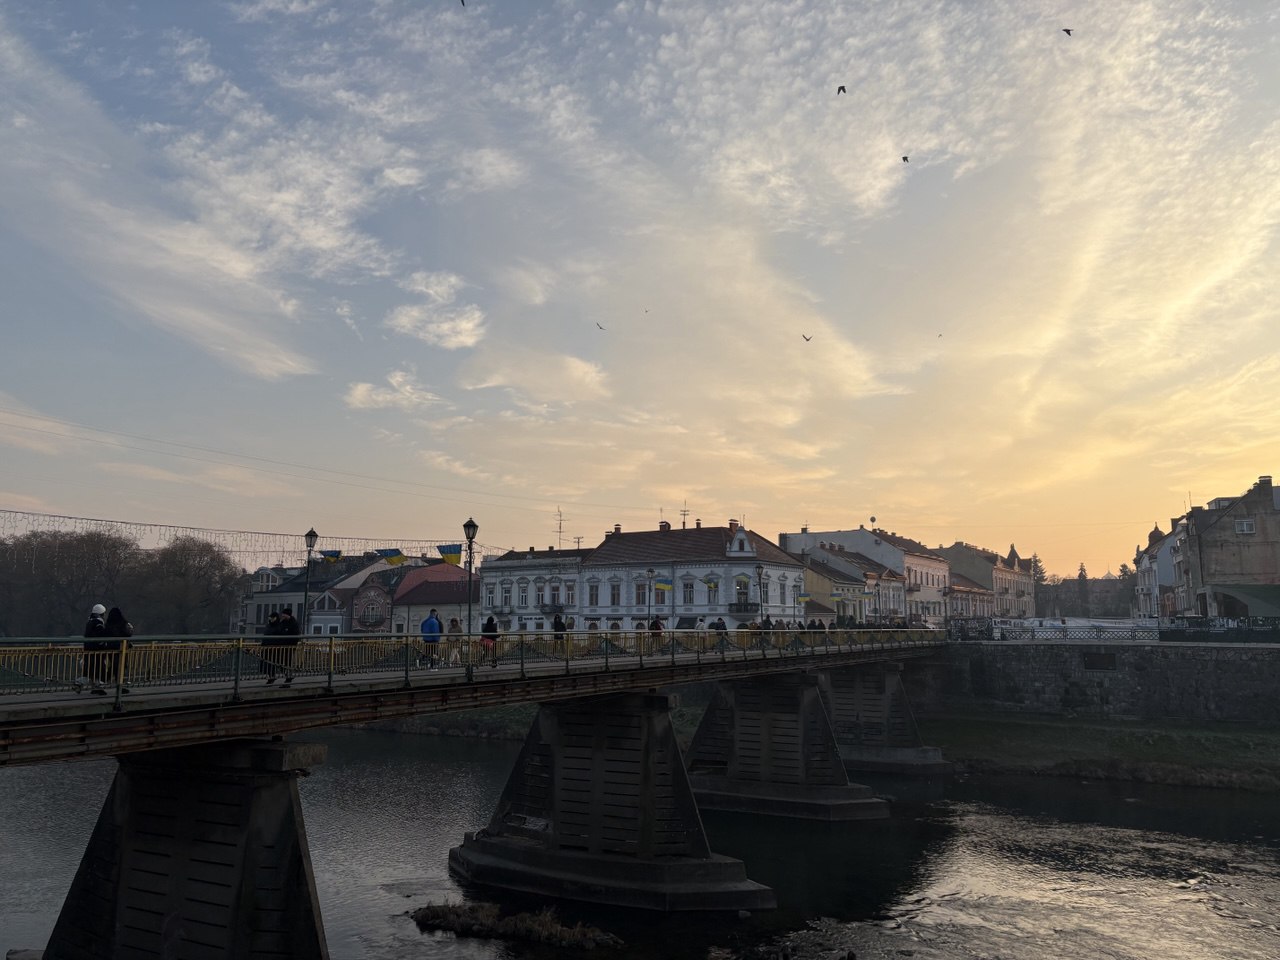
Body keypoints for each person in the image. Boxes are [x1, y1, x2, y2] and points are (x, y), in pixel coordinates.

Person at [103, 606, 133, 694]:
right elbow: (128, 633)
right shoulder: (123, 623)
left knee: (114, 666)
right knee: (122, 666)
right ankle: (119, 685)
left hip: (111, 648)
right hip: (122, 648)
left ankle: (104, 680)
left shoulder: (108, 624)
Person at [81, 603, 109, 694]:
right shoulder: (99, 623)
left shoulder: (90, 621)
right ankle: (98, 686)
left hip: (88, 648)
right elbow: (100, 635)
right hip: (97, 650)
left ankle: (92, 686)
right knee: (100, 667)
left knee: (90, 668)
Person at [277, 608, 301, 686]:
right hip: (282, 646)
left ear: (288, 615)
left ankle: (288, 678)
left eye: (284, 614)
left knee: (287, 662)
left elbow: (296, 635)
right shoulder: (282, 622)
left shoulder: (294, 623)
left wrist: (292, 644)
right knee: (280, 662)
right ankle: (288, 676)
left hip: (290, 646)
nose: (282, 615)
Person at [262, 611, 282, 683]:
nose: (271, 619)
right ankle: (270, 676)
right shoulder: (268, 625)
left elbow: (279, 636)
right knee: (267, 663)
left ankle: (272, 677)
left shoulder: (279, 626)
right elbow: (265, 635)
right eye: (270, 617)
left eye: (272, 617)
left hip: (274, 647)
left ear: (276, 618)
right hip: (266, 646)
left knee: (272, 663)